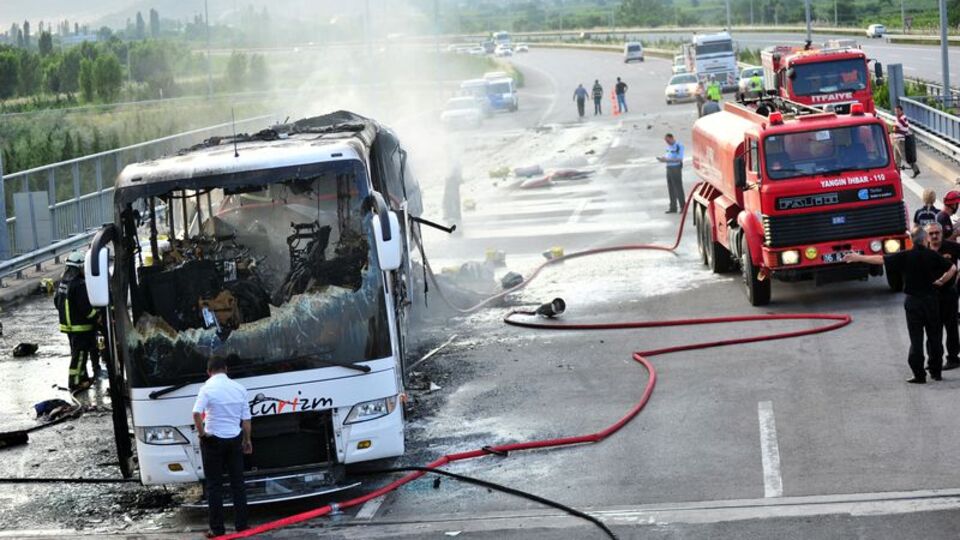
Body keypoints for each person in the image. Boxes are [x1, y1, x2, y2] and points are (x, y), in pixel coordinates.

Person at [845, 228, 956, 383]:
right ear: (926, 240)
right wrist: (942, 281)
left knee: (916, 339)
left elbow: (881, 259)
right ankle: (936, 372)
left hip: (913, 302)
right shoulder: (932, 255)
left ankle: (919, 375)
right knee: (935, 336)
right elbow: (952, 268)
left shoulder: (905, 256)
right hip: (931, 300)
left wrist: (858, 257)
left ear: (911, 240)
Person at [192, 357, 252, 537]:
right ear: (226, 369)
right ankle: (242, 526)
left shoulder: (206, 389)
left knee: (214, 486)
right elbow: (246, 420)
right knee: (238, 484)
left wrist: (203, 435)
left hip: (213, 441)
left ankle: (217, 529)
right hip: (235, 439)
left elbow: (196, 413)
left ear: (208, 372)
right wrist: (247, 440)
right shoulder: (239, 388)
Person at [54, 251, 100, 390]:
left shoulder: (63, 283)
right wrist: (97, 317)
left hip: (69, 327)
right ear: (79, 267)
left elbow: (57, 302)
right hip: (80, 327)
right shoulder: (79, 284)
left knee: (79, 354)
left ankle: (83, 378)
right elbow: (85, 308)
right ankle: (74, 382)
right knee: (79, 356)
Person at [924, 222, 960, 370]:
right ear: (927, 236)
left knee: (951, 327)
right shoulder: (923, 250)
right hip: (930, 296)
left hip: (949, 293)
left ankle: (953, 358)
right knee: (932, 328)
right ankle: (933, 359)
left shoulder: (952, 247)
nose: (934, 236)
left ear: (941, 233)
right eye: (931, 233)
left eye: (936, 233)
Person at [656, 133, 685, 214]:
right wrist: (663, 158)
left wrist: (667, 160)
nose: (667, 142)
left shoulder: (679, 146)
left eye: (668, 140)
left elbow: (679, 159)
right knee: (671, 188)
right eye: (666, 141)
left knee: (678, 188)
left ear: (672, 138)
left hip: (675, 168)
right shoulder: (669, 147)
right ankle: (673, 207)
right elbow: (668, 156)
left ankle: (683, 207)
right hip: (668, 168)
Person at [892, 105, 921, 178]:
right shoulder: (899, 118)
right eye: (896, 111)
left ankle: (916, 170)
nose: (896, 112)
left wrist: (896, 129)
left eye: (898, 111)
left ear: (901, 111)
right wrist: (895, 129)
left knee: (905, 157)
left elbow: (905, 129)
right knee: (896, 158)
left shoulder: (902, 119)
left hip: (900, 140)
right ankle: (897, 174)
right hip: (896, 140)